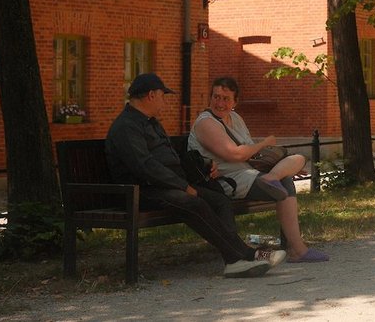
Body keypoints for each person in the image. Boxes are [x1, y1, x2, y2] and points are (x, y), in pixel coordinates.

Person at [105, 73, 287, 278]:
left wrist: (205, 166)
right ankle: (241, 256)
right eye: (162, 95)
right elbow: (145, 167)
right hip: (141, 191)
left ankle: (235, 258)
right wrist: (183, 186)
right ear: (151, 95)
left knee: (219, 200)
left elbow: (171, 158)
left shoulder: (150, 122)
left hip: (166, 186)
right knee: (195, 203)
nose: (164, 101)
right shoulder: (126, 126)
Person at [189, 76, 329, 263]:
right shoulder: (206, 123)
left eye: (225, 98)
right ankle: (298, 249)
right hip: (224, 181)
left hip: (248, 173)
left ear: (235, 102)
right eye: (216, 97)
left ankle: (297, 247)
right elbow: (236, 155)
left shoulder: (235, 118)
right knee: (284, 181)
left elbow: (249, 154)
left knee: (297, 161)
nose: (219, 102)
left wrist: (280, 167)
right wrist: (265, 143)